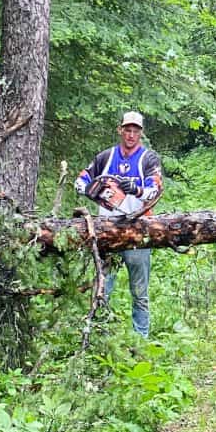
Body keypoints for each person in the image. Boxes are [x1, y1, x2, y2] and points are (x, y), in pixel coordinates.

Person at [75, 111, 163, 338]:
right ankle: (99, 336)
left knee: (139, 291)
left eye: (135, 131)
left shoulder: (148, 159)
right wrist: (90, 190)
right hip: (107, 230)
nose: (131, 135)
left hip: (138, 229)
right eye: (127, 130)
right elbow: (80, 180)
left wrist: (136, 189)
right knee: (103, 288)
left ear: (141, 133)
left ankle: (141, 339)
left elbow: (156, 189)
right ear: (120, 130)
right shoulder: (105, 157)